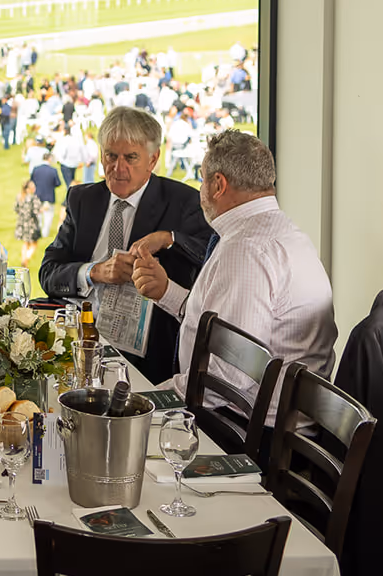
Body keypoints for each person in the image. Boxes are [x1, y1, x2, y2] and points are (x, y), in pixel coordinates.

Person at [131, 130, 336, 425]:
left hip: (248, 429)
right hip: (264, 417)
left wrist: (147, 399)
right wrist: (166, 292)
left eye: (202, 179)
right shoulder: (278, 231)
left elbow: (227, 379)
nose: (200, 190)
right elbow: (222, 326)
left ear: (218, 184)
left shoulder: (247, 249)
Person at [40, 107, 213, 383]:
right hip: (80, 337)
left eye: (131, 157)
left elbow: (210, 254)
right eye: (111, 155)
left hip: (146, 349)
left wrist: (169, 238)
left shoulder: (183, 202)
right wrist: (94, 272)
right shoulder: (82, 200)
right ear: (100, 155)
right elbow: (48, 272)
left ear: (153, 159)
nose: (118, 168)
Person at [29, 151, 62, 236]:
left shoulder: (36, 169)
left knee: (38, 214)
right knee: (48, 215)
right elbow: (58, 183)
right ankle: (45, 233)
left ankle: (38, 230)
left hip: (37, 195)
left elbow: (31, 181)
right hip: (49, 195)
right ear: (49, 159)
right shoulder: (53, 170)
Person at [14, 179, 43, 266]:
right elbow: (36, 211)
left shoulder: (19, 197)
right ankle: (27, 258)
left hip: (22, 223)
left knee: (25, 243)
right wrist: (43, 209)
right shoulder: (33, 198)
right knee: (34, 244)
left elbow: (16, 208)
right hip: (31, 223)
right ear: (28, 189)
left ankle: (23, 258)